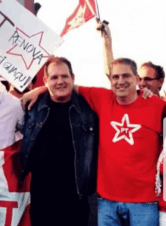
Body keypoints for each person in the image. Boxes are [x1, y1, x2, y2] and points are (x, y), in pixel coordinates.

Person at [22, 57, 166, 225]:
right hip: (98, 202)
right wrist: (38, 90)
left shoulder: (156, 106)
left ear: (136, 78)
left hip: (139, 202)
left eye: (126, 76)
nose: (120, 81)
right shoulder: (99, 98)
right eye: (115, 77)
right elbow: (64, 87)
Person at [20, 56, 99, 226]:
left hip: (77, 199)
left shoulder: (89, 108)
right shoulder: (32, 107)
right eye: (54, 77)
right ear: (45, 80)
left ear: (73, 78)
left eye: (64, 76)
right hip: (41, 198)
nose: (60, 81)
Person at [97, 20, 165, 97]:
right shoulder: (132, 101)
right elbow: (111, 71)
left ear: (160, 82)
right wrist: (107, 39)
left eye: (147, 79)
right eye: (139, 79)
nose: (142, 83)